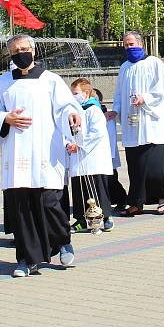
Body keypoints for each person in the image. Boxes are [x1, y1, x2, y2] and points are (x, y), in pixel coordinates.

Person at [0, 34, 82, 278]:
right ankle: (27, 259)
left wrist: (72, 116)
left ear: (34, 51)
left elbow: (67, 106)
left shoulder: (50, 80)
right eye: (16, 50)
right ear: (10, 55)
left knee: (50, 203)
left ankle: (63, 242)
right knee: (22, 208)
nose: (21, 53)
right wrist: (5, 119)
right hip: (16, 151)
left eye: (25, 49)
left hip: (46, 151)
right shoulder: (3, 82)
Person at [107, 31, 164, 216]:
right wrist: (116, 109)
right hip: (132, 124)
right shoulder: (125, 67)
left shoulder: (154, 63)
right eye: (126, 45)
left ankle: (163, 199)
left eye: (131, 44)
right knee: (136, 166)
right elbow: (119, 92)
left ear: (141, 44)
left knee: (156, 167)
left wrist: (145, 98)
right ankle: (136, 202)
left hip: (151, 122)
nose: (129, 48)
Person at [68, 79, 115, 233]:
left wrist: (81, 145)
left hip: (93, 157)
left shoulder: (94, 110)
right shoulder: (74, 110)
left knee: (98, 187)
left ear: (86, 93)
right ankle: (81, 219)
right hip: (78, 157)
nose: (73, 96)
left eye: (76, 93)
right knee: (80, 189)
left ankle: (106, 217)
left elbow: (98, 132)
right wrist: (69, 144)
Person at [95, 88, 128, 211]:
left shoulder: (107, 116)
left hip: (108, 154)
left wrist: (110, 155)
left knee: (111, 179)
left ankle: (122, 199)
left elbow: (111, 137)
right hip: (96, 155)